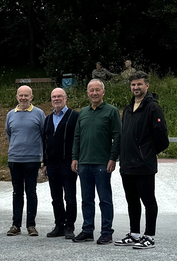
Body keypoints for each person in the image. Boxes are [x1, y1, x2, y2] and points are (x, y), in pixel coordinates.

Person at [115, 71, 169, 249]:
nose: (136, 87)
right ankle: (135, 233)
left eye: (139, 84)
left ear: (147, 86)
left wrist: (147, 152)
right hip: (127, 164)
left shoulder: (153, 107)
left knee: (148, 200)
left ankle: (150, 236)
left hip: (144, 164)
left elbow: (162, 137)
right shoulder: (129, 108)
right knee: (132, 200)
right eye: (133, 85)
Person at [71, 79, 121, 245]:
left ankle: (106, 232)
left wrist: (113, 157)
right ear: (87, 93)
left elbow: (117, 136)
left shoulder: (111, 111)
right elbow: (77, 137)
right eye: (91, 90)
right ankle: (87, 230)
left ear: (103, 92)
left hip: (102, 163)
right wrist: (75, 157)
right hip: (84, 163)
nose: (94, 93)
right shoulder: (83, 113)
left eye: (97, 90)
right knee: (86, 199)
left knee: (104, 199)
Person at [5, 85, 46, 237]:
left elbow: (44, 135)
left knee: (31, 192)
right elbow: (10, 134)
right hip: (15, 159)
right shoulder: (11, 114)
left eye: (26, 95)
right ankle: (16, 225)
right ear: (16, 97)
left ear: (31, 97)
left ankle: (31, 225)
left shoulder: (39, 113)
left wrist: (42, 158)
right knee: (17, 193)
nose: (23, 98)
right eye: (20, 95)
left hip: (32, 159)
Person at [41, 87, 79, 239]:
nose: (56, 99)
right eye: (54, 97)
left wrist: (76, 159)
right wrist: (44, 163)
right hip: (52, 164)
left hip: (68, 163)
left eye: (59, 96)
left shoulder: (74, 116)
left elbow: (78, 139)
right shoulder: (48, 118)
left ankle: (70, 226)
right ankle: (59, 225)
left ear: (65, 98)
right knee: (55, 196)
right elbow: (45, 141)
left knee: (69, 197)